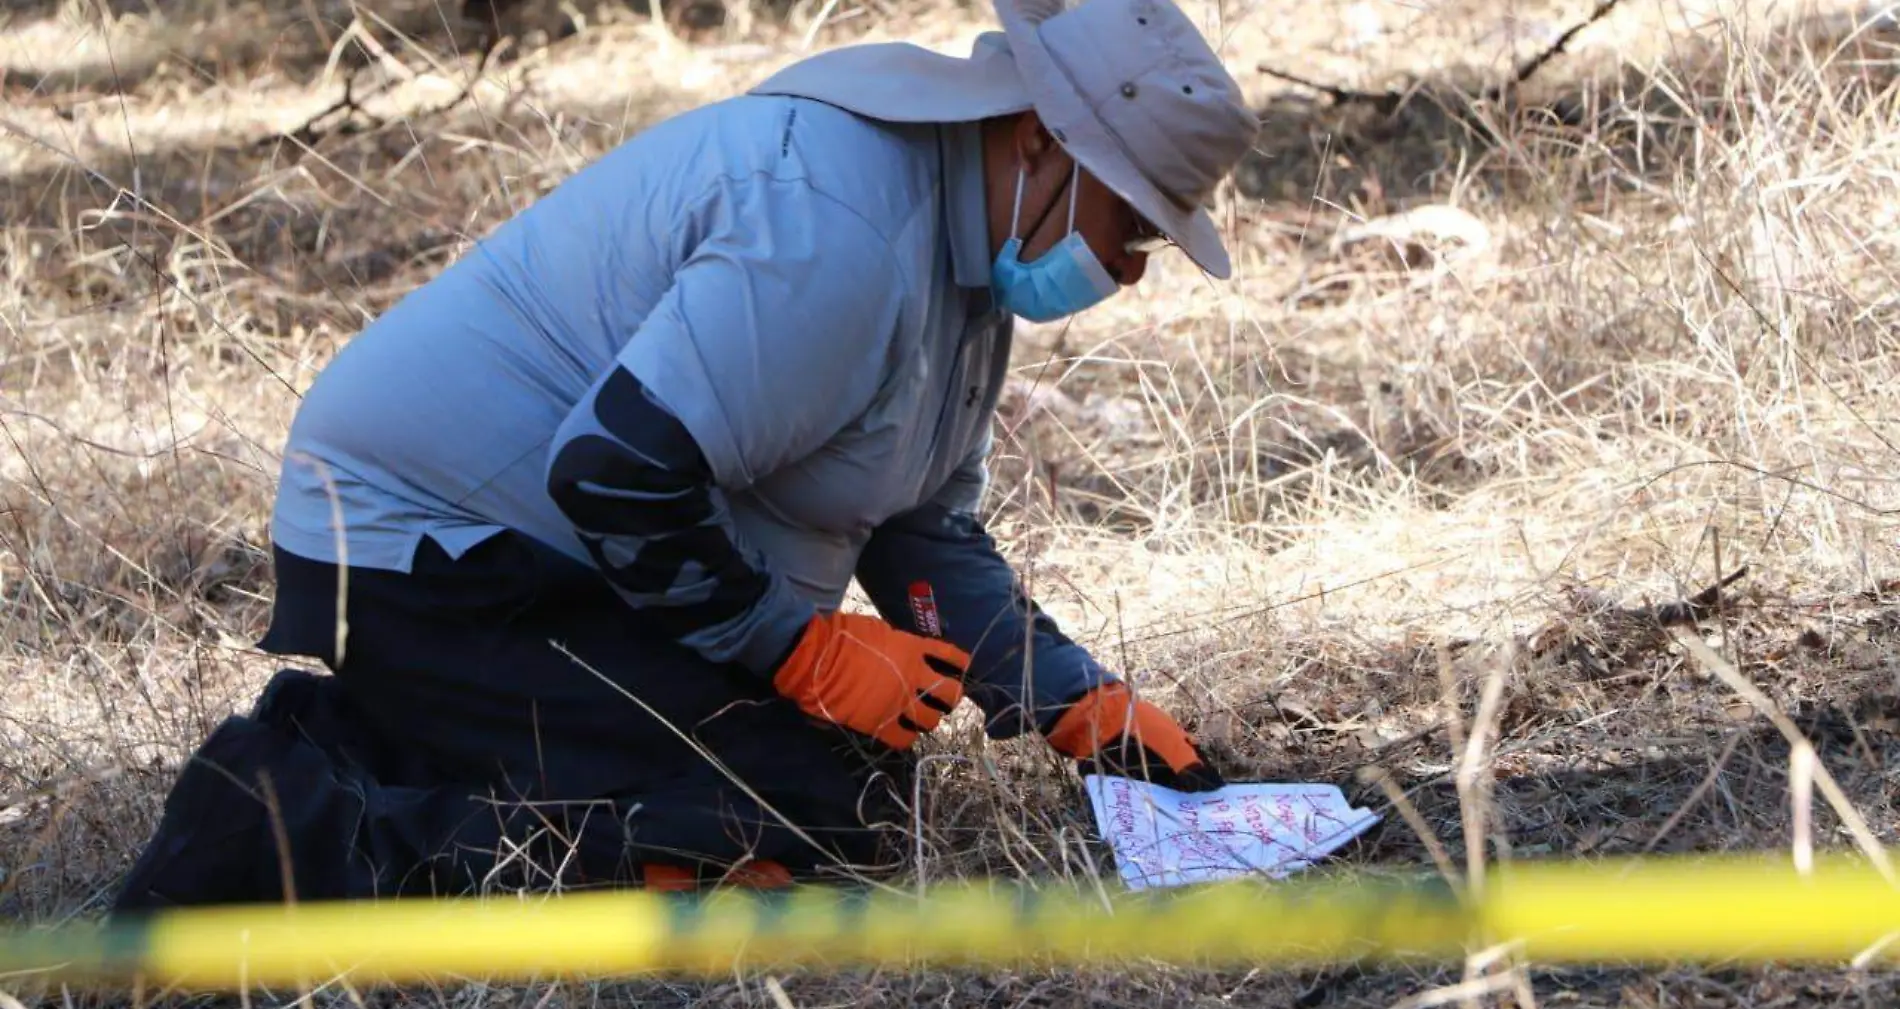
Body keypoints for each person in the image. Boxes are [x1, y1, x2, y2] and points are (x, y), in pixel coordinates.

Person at [113, 0, 1261, 910]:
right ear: (1040, 143)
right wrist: (796, 650)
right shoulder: (840, 227)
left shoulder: (966, 267)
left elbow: (921, 530)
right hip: (428, 553)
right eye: (1134, 224)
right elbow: (613, 474)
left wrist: (1072, 701)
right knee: (800, 815)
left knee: (852, 780)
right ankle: (288, 823)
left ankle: (409, 735)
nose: (1132, 267)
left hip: (563, 564)